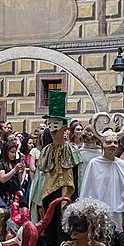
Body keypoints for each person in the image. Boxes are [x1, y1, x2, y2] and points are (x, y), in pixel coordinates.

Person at [80, 112, 124, 232]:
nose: (112, 145)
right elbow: (88, 190)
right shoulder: (94, 164)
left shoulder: (123, 166)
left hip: (118, 215)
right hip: (99, 214)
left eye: (115, 142)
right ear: (102, 144)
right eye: (109, 142)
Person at [29, 91, 82, 222]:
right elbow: (39, 178)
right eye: (50, 125)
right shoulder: (46, 151)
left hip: (68, 197)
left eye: (56, 126)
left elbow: (78, 176)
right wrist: (38, 202)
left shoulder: (72, 150)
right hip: (48, 197)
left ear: (65, 128)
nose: (52, 131)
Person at [0, 141, 25, 209]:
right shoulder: (0, 164)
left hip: (15, 195)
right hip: (4, 195)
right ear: (6, 152)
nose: (14, 155)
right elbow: (2, 179)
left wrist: (21, 172)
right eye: (12, 152)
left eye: (15, 152)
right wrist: (14, 170)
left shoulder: (14, 163)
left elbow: (19, 181)